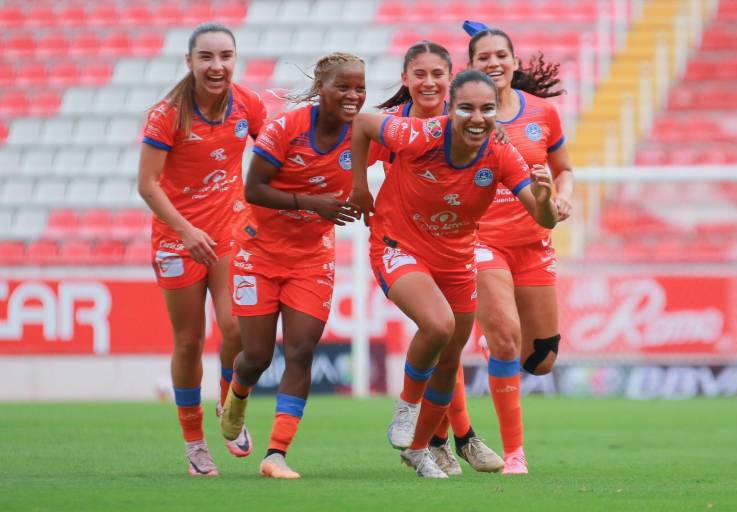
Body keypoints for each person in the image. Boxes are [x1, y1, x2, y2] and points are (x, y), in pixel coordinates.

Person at [350, 69, 557, 478]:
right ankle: (406, 407)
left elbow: (543, 217)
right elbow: (361, 124)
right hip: (399, 246)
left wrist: (546, 196)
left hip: (457, 258)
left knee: (449, 361)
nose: (477, 118)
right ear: (450, 108)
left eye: (487, 109)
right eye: (466, 108)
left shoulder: (501, 153)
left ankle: (420, 448)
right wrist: (360, 187)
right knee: (439, 325)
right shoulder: (421, 135)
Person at [431, 21, 575, 475]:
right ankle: (515, 453)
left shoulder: (542, 113)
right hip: (481, 241)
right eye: (484, 57)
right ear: (470, 65)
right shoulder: (462, 118)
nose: (493, 63)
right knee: (507, 338)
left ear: (514, 61)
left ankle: (488, 340)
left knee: (542, 360)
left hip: (533, 243)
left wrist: (563, 194)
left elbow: (564, 168)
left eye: (500, 55)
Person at [219, 52, 366, 480]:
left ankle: (276, 454)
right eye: (343, 86)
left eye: (360, 87)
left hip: (311, 257)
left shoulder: (363, 133)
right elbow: (253, 189)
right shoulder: (286, 128)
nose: (353, 95)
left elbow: (415, 140)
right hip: (258, 251)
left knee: (301, 351)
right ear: (321, 88)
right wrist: (312, 203)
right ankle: (237, 395)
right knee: (257, 357)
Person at [137, 22, 267, 476]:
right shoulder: (167, 114)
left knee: (236, 328)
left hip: (230, 229)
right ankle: (194, 443)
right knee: (189, 340)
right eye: (206, 57)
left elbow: (277, 155)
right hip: (178, 239)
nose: (217, 66)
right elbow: (147, 184)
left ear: (235, 60)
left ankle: (229, 407)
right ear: (189, 62)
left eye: (225, 56)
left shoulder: (248, 104)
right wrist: (187, 231)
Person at [373, 41, 504, 476]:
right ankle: (454, 439)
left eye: (437, 75)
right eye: (420, 74)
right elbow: (352, 148)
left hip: (454, 245)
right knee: (440, 330)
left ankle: (442, 441)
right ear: (405, 79)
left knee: (450, 348)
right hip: (406, 246)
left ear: (451, 81)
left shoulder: (475, 123)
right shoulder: (397, 126)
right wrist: (346, 194)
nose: (429, 83)